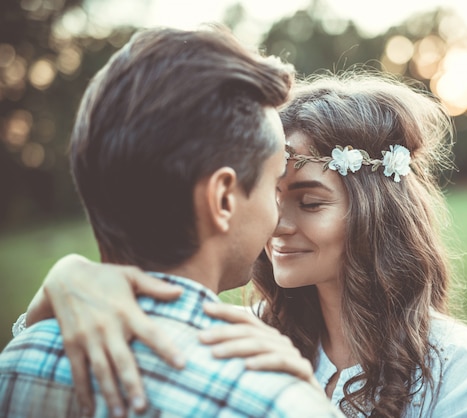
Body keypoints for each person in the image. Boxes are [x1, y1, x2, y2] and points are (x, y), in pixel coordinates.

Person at [14, 73, 467, 417]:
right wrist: (67, 279)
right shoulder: (247, 332)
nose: (276, 224)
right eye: (271, 196)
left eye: (310, 201)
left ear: (378, 215)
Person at [0, 25, 344, 418]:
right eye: (272, 185)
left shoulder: (20, 359)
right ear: (221, 199)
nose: (277, 216)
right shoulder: (278, 401)